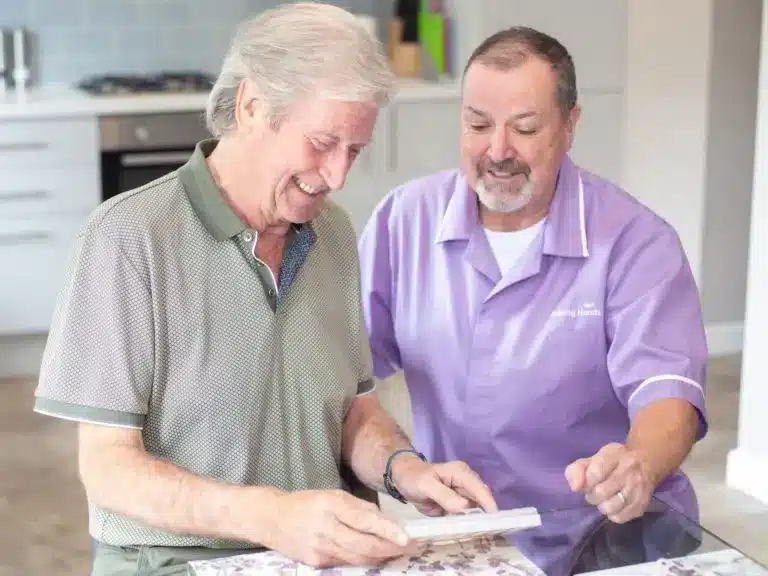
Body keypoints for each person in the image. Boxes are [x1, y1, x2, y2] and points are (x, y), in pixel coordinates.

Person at [32, 4, 496, 575]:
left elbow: (351, 408)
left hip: (319, 557)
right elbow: (108, 469)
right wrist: (272, 517)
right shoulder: (128, 239)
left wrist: (406, 469)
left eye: (354, 150)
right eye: (322, 142)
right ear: (252, 107)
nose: (336, 176)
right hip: (174, 561)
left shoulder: (333, 234)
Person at [358, 25, 708, 564]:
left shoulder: (636, 241)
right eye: (478, 125)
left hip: (607, 531)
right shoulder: (403, 222)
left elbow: (669, 392)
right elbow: (346, 375)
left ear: (569, 126)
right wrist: (399, 464)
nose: (497, 150)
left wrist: (638, 462)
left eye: (524, 128)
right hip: (471, 538)